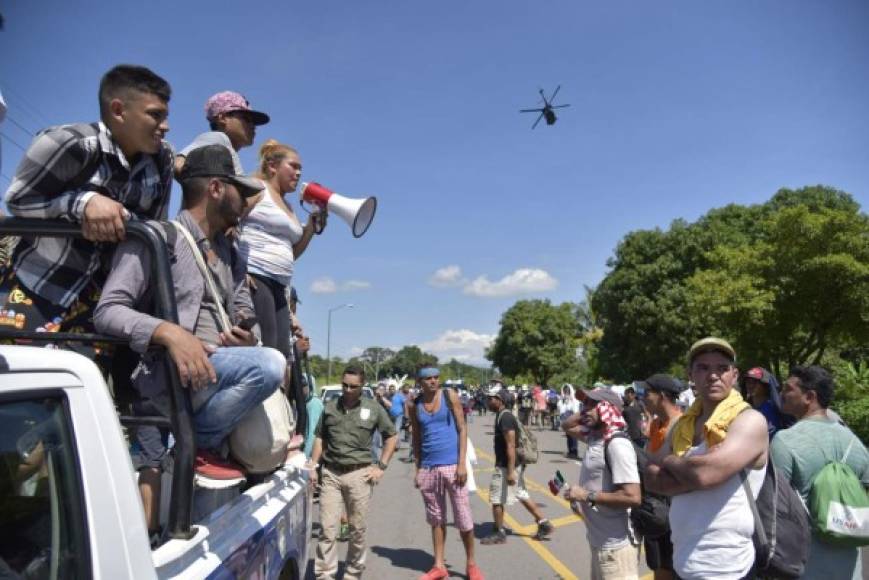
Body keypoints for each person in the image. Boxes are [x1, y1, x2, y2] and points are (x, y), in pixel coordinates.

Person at [93, 144, 286, 535]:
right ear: (216, 188)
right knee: (272, 364)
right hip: (170, 379)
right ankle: (199, 442)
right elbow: (108, 311)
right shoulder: (158, 238)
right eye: (239, 189)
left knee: (205, 531)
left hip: (218, 378)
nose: (246, 200)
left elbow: (248, 321)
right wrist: (169, 333)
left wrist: (247, 337)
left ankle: (196, 443)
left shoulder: (231, 252)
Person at [1, 65, 173, 355]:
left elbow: (155, 226)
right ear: (119, 111)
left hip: (101, 305)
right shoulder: (67, 143)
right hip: (35, 288)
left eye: (166, 116)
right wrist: (82, 203)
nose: (165, 126)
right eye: (155, 115)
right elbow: (18, 200)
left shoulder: (162, 161)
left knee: (82, 389)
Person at [644, 337, 769, 580]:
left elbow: (705, 474)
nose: (713, 375)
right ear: (690, 374)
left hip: (728, 569)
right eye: (703, 368)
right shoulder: (682, 424)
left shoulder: (749, 420)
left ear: (734, 375)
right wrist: (697, 472)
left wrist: (671, 462)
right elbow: (649, 476)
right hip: (682, 562)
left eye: (722, 368)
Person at [772, 365, 869, 580]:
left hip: (805, 563)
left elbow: (776, 505)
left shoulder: (785, 440)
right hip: (849, 564)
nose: (781, 394)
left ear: (809, 396)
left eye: (788, 389)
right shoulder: (854, 442)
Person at [238, 139, 324, 360]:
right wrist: (237, 270)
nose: (298, 173)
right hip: (257, 276)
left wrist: (311, 228)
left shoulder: (290, 207)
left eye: (300, 169)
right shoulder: (257, 189)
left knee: (282, 353)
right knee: (266, 348)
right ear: (272, 166)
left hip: (281, 284)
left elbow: (291, 253)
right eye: (293, 166)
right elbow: (230, 223)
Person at [309, 365, 397, 580]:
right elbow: (320, 437)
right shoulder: (329, 407)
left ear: (362, 386)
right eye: (345, 385)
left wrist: (381, 467)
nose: (348, 390)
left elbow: (391, 437)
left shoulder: (373, 408)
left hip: (360, 474)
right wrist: (313, 465)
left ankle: (353, 572)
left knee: (356, 530)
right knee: (328, 530)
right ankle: (325, 574)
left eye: (353, 386)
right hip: (331, 473)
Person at [409, 367, 483, 580]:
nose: (433, 381)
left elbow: (462, 428)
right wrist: (418, 468)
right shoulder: (414, 405)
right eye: (427, 378)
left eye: (435, 377)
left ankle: (471, 565)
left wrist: (462, 463)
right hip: (429, 468)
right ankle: (439, 565)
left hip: (453, 466)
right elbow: (416, 438)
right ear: (419, 381)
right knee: (436, 519)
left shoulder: (449, 396)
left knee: (464, 519)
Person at [561, 387, 641, 580]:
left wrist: (586, 495)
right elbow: (566, 425)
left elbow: (633, 496)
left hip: (615, 547)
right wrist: (589, 410)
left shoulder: (616, 445)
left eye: (593, 404)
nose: (585, 408)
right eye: (584, 403)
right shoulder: (595, 438)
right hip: (599, 542)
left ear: (608, 409)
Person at [481, 385, 554, 545]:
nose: (487, 401)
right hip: (510, 464)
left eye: (490, 399)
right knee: (521, 493)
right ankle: (544, 523)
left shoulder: (505, 417)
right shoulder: (502, 415)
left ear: (499, 400)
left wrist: (510, 471)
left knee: (496, 498)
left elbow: (511, 445)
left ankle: (499, 532)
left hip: (507, 465)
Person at [638, 374, 683, 580]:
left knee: (674, 567)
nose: (643, 397)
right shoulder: (655, 425)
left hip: (674, 511)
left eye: (647, 393)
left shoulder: (682, 426)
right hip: (654, 509)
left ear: (662, 396)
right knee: (658, 566)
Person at [174, 90, 269, 176]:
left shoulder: (226, 151)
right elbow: (178, 164)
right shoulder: (217, 137)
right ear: (222, 118)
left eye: (254, 122)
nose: (253, 126)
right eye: (246, 119)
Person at [743, 367, 785, 439]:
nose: (750, 385)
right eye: (748, 382)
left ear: (764, 385)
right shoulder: (744, 408)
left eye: (754, 382)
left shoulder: (773, 409)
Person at [558, 384, 581, 458]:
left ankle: (574, 451)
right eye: (565, 392)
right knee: (568, 436)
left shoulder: (574, 400)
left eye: (567, 392)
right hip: (566, 420)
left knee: (573, 436)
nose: (566, 393)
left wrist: (571, 401)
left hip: (573, 419)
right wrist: (563, 400)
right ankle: (570, 451)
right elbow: (560, 408)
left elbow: (575, 410)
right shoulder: (563, 400)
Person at [390, 383, 409, 448]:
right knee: (393, 430)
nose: (392, 390)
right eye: (390, 389)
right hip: (391, 416)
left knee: (397, 430)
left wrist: (406, 415)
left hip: (399, 415)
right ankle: (394, 444)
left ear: (395, 389)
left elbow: (405, 405)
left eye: (393, 389)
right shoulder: (389, 396)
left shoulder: (399, 396)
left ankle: (396, 445)